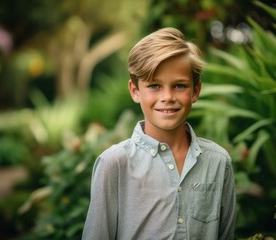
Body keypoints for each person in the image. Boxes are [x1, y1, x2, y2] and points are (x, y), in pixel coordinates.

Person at [82, 27, 236, 240]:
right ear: (135, 91)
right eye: (154, 85)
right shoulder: (114, 163)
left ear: (196, 91)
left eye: (179, 86)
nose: (167, 97)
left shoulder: (218, 162)